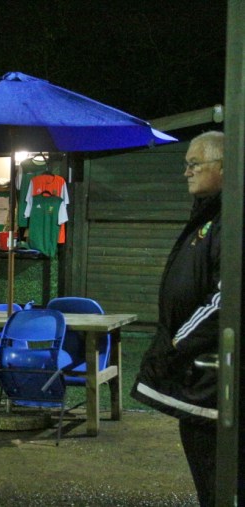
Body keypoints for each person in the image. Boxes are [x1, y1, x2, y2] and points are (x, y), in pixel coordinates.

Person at [131, 130, 223, 506]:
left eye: (194, 164)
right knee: (206, 473)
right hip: (198, 375)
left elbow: (224, 298)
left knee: (217, 476)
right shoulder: (209, 214)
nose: (186, 172)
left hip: (212, 377)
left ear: (224, 167)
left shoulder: (229, 219)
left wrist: (176, 343)